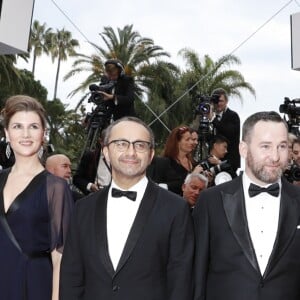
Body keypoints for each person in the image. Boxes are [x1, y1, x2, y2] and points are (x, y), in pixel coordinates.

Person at [60, 117, 194, 300]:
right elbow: (71, 278)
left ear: (151, 154)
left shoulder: (176, 209)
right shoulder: (83, 208)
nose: (131, 152)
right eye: (121, 144)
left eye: (140, 145)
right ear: (106, 152)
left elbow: (181, 282)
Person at [193, 111, 300, 300]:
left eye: (282, 146)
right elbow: (197, 273)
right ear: (243, 149)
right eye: (265, 146)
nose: (275, 157)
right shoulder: (211, 201)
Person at [0, 95, 73, 300]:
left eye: (33, 126)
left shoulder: (55, 188)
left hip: (33, 284)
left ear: (43, 133)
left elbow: (60, 257)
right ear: (7, 133)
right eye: (17, 127)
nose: (25, 134)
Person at [148, 126, 202, 195]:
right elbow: (158, 187)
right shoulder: (163, 163)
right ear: (177, 142)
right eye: (187, 139)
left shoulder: (193, 163)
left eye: (192, 139)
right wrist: (192, 176)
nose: (192, 142)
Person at [211, 88, 240, 173]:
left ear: (226, 101)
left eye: (221, 101)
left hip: (229, 161)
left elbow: (229, 132)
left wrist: (213, 119)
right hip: (212, 160)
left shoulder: (233, 116)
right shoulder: (209, 116)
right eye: (216, 101)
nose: (218, 104)